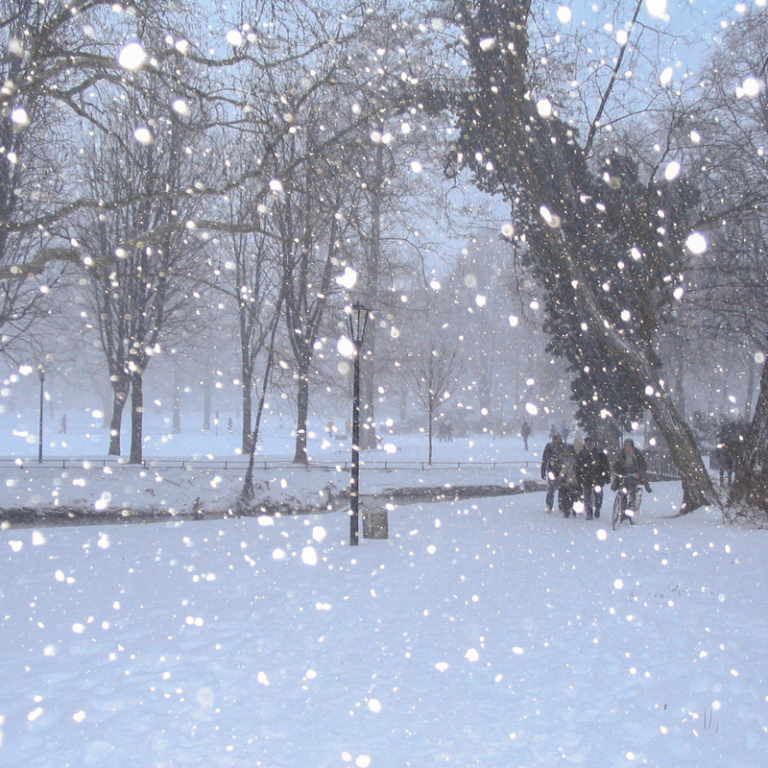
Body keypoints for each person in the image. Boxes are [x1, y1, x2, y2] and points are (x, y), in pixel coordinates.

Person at [576, 436, 610, 520]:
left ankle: (597, 508)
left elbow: (605, 465)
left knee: (598, 494)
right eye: (588, 444)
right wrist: (579, 477)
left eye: (591, 444)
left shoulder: (599, 452)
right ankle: (589, 511)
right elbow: (577, 467)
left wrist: (605, 475)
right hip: (586, 477)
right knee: (587, 495)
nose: (590, 446)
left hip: (598, 477)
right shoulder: (582, 453)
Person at [540, 432, 564, 513]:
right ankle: (549, 505)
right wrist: (543, 471)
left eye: (558, 440)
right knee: (551, 489)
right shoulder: (549, 447)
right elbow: (545, 459)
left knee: (562, 489)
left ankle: (561, 505)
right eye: (556, 440)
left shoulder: (563, 446)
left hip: (561, 470)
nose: (557, 441)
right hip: (552, 470)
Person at [558, 442, 580, 517]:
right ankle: (566, 510)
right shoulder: (563, 458)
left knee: (574, 496)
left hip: (574, 480)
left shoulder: (577, 459)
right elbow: (562, 468)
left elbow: (578, 470)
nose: (568, 452)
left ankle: (573, 509)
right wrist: (560, 477)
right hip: (565, 479)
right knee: (564, 496)